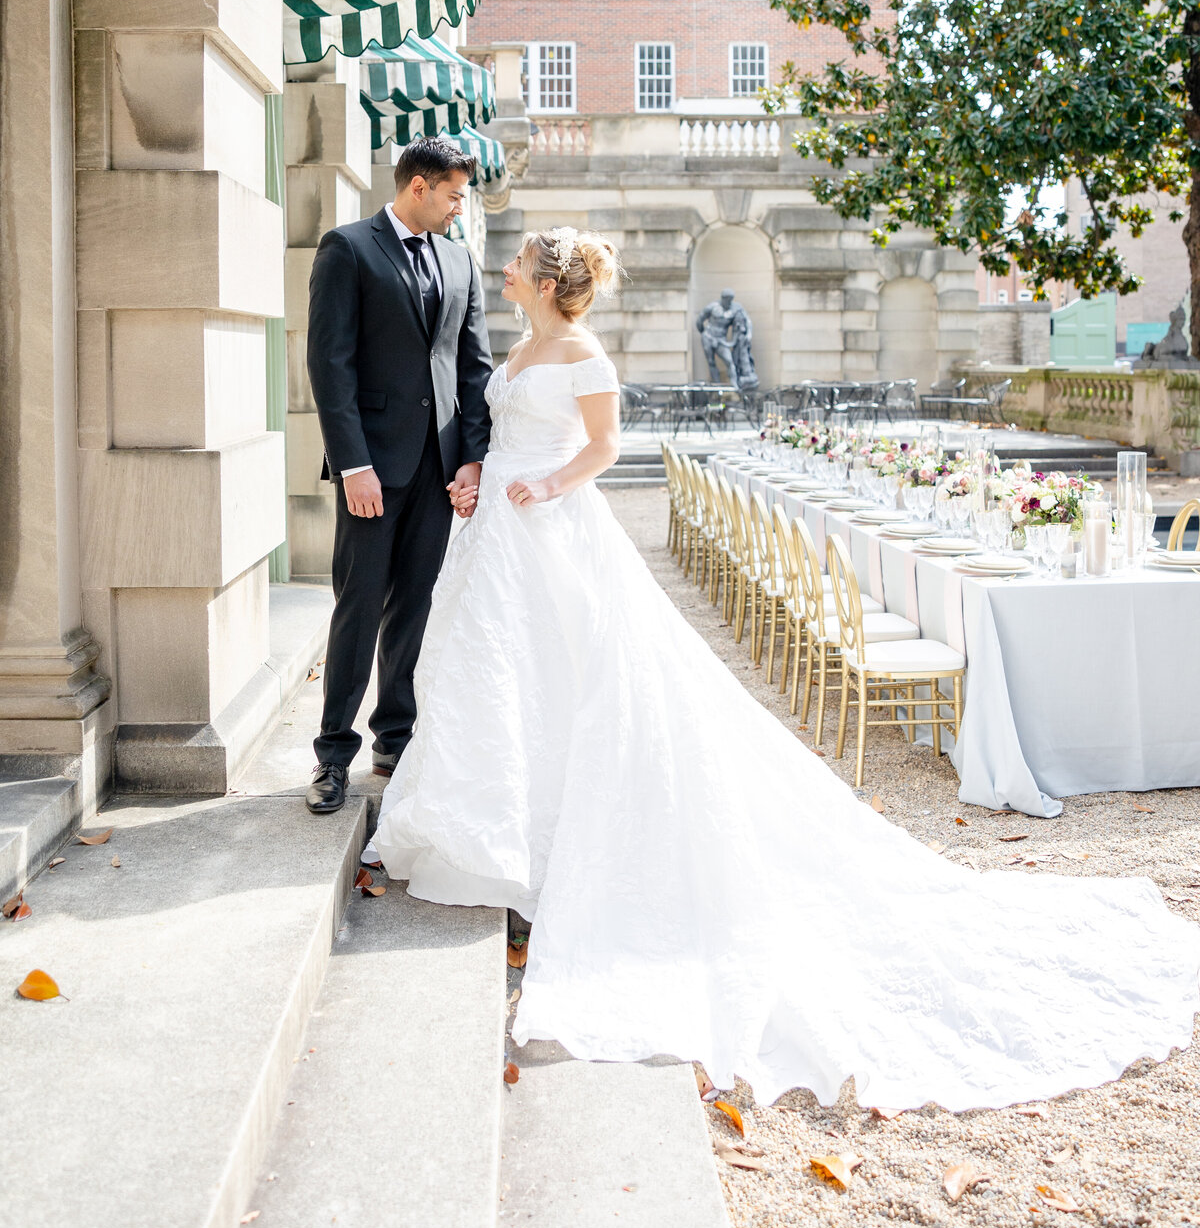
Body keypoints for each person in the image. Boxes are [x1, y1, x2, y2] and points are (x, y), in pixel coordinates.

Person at [365, 227, 1200, 1112]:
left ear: (543, 279)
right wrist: (483, 477)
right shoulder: (525, 342)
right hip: (500, 526)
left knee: (569, 683)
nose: (503, 272)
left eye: (515, 265)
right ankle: (497, 833)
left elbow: (603, 448)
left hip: (555, 530)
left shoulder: (582, 349)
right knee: (501, 680)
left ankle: (548, 843)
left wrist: (548, 486)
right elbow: (507, 434)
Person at [304, 137, 492, 816]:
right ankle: (331, 755)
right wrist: (353, 464)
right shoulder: (347, 249)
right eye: (452, 195)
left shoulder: (459, 260)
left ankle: (395, 739)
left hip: (439, 469)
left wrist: (473, 457)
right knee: (359, 609)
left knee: (413, 605)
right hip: (371, 472)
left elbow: (474, 366)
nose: (457, 208)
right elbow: (331, 366)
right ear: (418, 186)